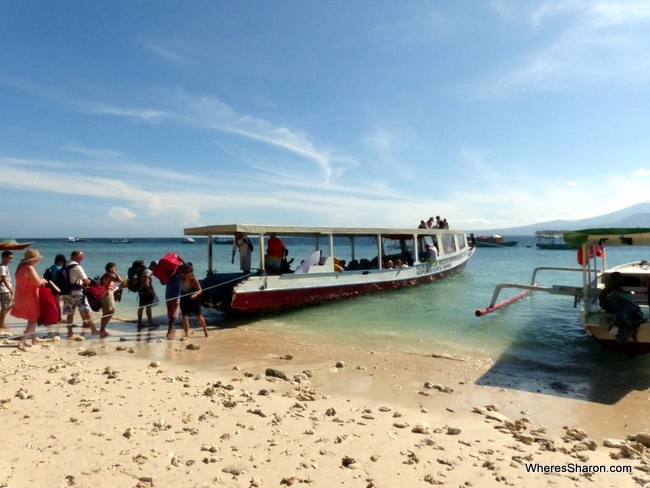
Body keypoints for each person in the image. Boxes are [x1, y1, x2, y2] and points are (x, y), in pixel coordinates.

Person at [10, 249, 48, 350]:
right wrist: (45, 280)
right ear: (33, 260)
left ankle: (34, 338)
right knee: (33, 320)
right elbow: (38, 282)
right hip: (29, 296)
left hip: (22, 295)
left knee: (31, 318)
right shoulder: (29, 268)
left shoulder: (21, 266)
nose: (38, 261)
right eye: (37, 259)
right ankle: (22, 342)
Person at [62, 250, 100, 338]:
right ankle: (94, 330)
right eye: (81, 257)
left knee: (70, 313)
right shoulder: (77, 267)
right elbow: (85, 280)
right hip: (78, 293)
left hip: (67, 292)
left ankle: (70, 333)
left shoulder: (65, 264)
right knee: (87, 311)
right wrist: (92, 282)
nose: (82, 258)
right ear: (75, 256)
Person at [178, 264, 209, 340]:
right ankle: (186, 334)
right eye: (184, 272)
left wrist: (195, 294)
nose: (185, 273)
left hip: (194, 300)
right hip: (184, 300)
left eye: (187, 272)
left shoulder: (194, 280)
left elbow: (200, 290)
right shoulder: (181, 279)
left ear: (191, 272)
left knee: (199, 316)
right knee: (185, 317)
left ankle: (205, 332)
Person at [99, 262, 122, 338]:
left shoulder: (106, 276)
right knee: (111, 311)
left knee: (105, 313)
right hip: (107, 294)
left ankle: (102, 329)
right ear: (111, 269)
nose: (116, 269)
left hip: (106, 294)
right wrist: (115, 273)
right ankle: (102, 329)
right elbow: (120, 280)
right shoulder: (108, 276)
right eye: (115, 268)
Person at [43, 253, 65, 323]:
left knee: (55, 303)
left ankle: (55, 317)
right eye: (62, 261)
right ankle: (60, 318)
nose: (62, 263)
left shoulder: (52, 267)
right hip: (57, 287)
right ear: (60, 261)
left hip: (51, 286)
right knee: (59, 303)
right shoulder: (59, 269)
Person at [137, 260, 158, 331]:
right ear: (152, 266)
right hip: (146, 292)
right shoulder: (148, 272)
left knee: (142, 307)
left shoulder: (146, 271)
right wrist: (152, 293)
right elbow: (146, 284)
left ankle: (140, 322)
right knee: (148, 307)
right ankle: (149, 322)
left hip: (142, 292)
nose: (156, 268)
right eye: (156, 267)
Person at [165, 266, 184, 339]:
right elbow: (188, 272)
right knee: (173, 315)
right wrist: (183, 261)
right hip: (175, 297)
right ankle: (169, 331)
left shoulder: (168, 277)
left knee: (170, 313)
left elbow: (162, 283)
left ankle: (171, 329)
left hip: (168, 297)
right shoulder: (178, 276)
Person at [0, 251, 14, 330]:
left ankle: (1, 322)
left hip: (4, 289)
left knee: (7, 306)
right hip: (4, 290)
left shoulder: (5, 267)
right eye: (10, 258)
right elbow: (4, 279)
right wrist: (10, 289)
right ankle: (1, 323)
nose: (11, 260)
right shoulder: (2, 267)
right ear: (4, 258)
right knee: (6, 307)